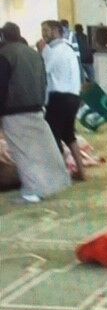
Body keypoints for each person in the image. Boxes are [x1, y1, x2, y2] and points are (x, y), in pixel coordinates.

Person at [0, 22, 70, 202]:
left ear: (3, 36)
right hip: (36, 107)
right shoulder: (34, 54)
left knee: (23, 153)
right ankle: (53, 184)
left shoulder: (5, 55)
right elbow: (44, 81)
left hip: (14, 110)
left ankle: (32, 191)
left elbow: (2, 85)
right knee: (41, 150)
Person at [40, 20, 86, 181]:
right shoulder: (68, 49)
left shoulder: (53, 51)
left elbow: (42, 71)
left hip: (58, 98)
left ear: (55, 31)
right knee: (68, 135)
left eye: (46, 30)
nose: (43, 34)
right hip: (73, 97)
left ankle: (59, 175)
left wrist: (41, 51)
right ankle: (81, 171)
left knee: (51, 136)